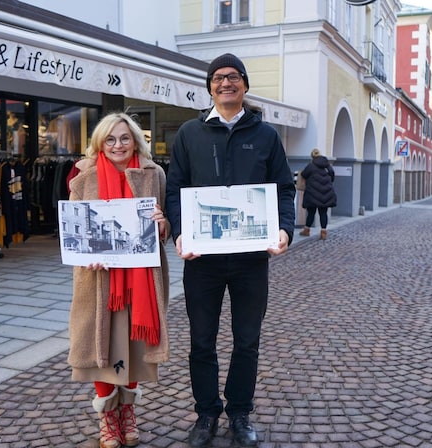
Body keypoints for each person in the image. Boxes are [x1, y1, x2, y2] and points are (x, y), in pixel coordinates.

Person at [165, 53, 295, 448]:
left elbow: (284, 189)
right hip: (201, 261)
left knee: (247, 340)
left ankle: (240, 413)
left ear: (244, 84)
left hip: (250, 260)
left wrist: (285, 230)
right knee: (201, 340)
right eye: (218, 77)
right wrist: (181, 233)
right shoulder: (189, 133)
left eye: (233, 77)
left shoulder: (266, 135)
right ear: (209, 86)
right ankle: (206, 413)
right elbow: (176, 190)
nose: (226, 83)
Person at [67, 112, 171, 448]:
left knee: (133, 348)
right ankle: (107, 418)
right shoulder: (82, 176)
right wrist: (86, 250)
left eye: (125, 138)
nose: (118, 145)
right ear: (100, 141)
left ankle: (127, 412)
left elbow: (165, 228)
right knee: (101, 346)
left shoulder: (155, 174)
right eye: (110, 139)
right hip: (98, 281)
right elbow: (72, 228)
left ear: (135, 140)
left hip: (141, 281)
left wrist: (161, 224)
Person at [298, 148, 337, 240]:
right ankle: (323, 232)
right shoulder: (327, 165)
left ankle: (306, 230)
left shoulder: (311, 166)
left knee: (311, 212)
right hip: (326, 192)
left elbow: (303, 174)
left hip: (313, 192)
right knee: (323, 212)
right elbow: (332, 174)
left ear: (312, 156)